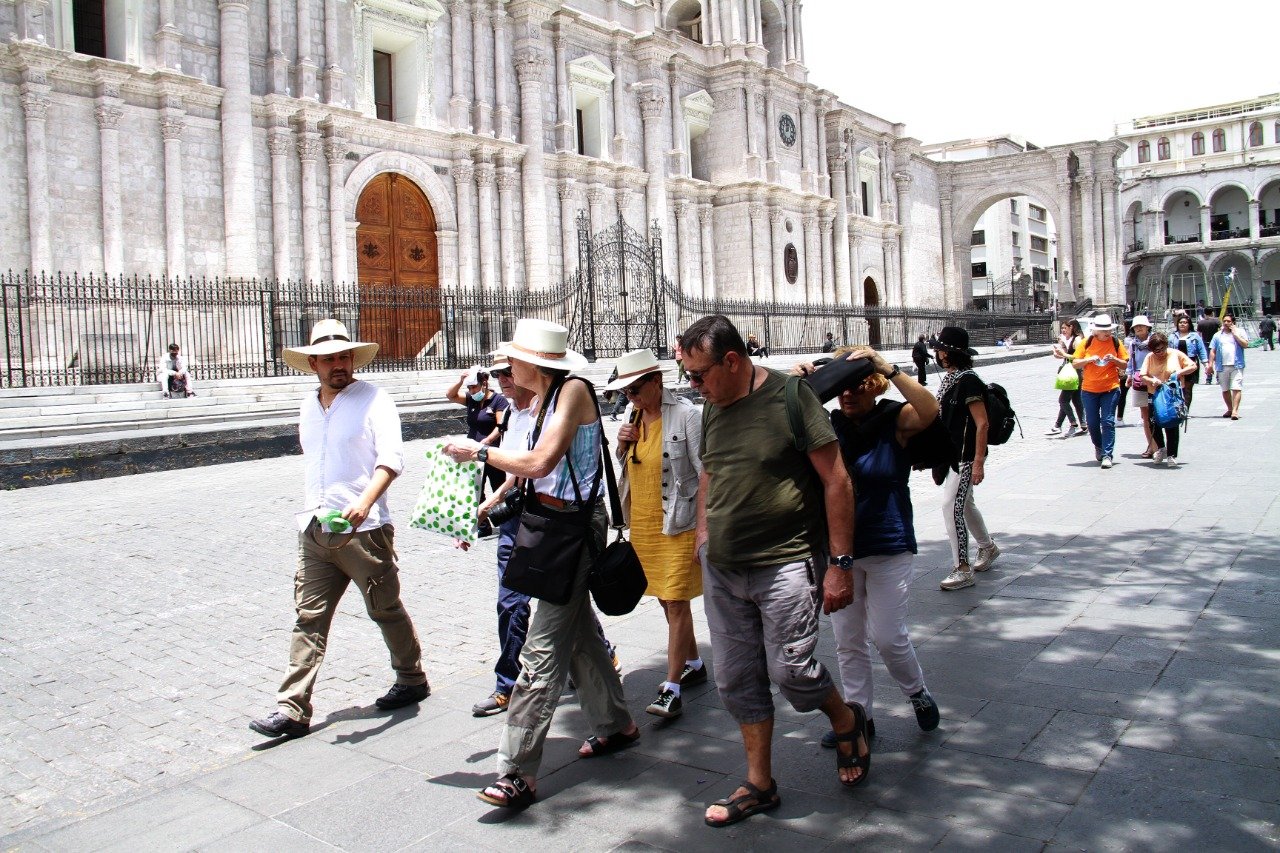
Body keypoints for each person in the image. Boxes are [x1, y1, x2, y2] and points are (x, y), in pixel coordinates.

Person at [681, 315, 867, 828]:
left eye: (699, 375)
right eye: (688, 376)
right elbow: (709, 472)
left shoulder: (790, 398)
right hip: (724, 568)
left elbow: (836, 480)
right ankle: (759, 783)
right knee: (736, 679)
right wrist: (702, 535)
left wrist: (840, 565)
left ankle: (847, 719)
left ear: (733, 361)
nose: (693, 386)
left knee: (792, 671)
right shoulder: (713, 407)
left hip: (785, 561)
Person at [442, 319, 636, 810]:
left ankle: (517, 771)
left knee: (542, 648)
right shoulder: (538, 400)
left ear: (536, 363)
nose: (507, 368)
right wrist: (485, 508)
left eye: (514, 360)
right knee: (581, 638)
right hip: (549, 526)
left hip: (575, 528)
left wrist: (480, 452)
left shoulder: (572, 391)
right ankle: (616, 725)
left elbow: (542, 462)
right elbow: (529, 471)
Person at [249, 319, 429, 740]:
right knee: (308, 617)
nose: (338, 365)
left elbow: (392, 458)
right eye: (329, 359)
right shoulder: (309, 406)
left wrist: (365, 502)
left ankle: (411, 677)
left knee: (384, 608)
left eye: (344, 357)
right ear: (313, 363)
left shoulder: (374, 399)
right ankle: (293, 709)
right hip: (315, 528)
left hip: (364, 530)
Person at [800, 346, 941, 748]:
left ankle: (917, 691)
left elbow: (929, 410)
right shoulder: (825, 426)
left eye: (857, 386)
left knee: (888, 637)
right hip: (840, 550)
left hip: (888, 543)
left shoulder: (893, 419)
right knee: (847, 641)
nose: (848, 395)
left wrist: (888, 367)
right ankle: (859, 716)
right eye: (841, 388)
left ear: (874, 387)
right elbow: (778, 423)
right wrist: (797, 381)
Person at [607, 349, 706, 720]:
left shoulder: (686, 417)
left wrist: (704, 529)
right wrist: (621, 443)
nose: (629, 396)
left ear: (656, 381)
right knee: (665, 600)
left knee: (676, 600)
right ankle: (694, 663)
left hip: (678, 523)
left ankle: (671, 687)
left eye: (635, 388)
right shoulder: (633, 416)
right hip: (644, 523)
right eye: (625, 391)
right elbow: (630, 465)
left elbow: (705, 473)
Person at [933, 327, 999, 591]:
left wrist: (978, 462)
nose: (937, 354)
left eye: (940, 350)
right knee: (965, 503)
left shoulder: (969, 381)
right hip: (952, 455)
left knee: (952, 506)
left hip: (966, 456)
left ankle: (962, 568)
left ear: (949, 354)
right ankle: (988, 547)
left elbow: (981, 424)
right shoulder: (952, 378)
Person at [1072, 315, 1128, 469]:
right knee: (1092, 422)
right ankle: (1099, 446)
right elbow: (1075, 363)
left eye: (1109, 330)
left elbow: (1124, 364)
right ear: (1096, 331)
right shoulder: (1087, 342)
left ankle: (1107, 454)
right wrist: (1089, 360)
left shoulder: (1116, 343)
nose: (1108, 333)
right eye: (1104, 330)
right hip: (1089, 389)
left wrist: (1114, 360)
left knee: (1108, 421)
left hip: (1110, 388)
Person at [445, 366, 509, 494]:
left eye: (474, 387)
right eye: (469, 388)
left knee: (499, 488)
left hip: (491, 452)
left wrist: (489, 440)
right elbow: (450, 395)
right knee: (475, 489)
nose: (472, 391)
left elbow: (500, 425)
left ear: (484, 383)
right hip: (472, 453)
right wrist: (461, 381)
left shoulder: (498, 400)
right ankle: (479, 512)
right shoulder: (471, 399)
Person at [1139, 332, 1195, 468]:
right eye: (1156, 350)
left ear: (1166, 345)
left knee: (1171, 421)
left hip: (1172, 394)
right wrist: (1152, 380)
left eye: (1162, 349)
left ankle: (1172, 454)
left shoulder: (1175, 354)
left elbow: (1192, 366)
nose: (1160, 353)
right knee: (1154, 422)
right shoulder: (1150, 357)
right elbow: (1142, 375)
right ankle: (1161, 448)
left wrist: (1179, 373)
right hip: (1155, 394)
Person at [1125, 316, 1158, 459]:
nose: (1138, 328)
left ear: (1147, 327)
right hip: (1139, 381)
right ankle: (1151, 446)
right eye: (1136, 326)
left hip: (1154, 379)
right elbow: (1131, 362)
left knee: (1157, 414)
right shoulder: (1133, 344)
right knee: (1145, 417)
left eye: (1141, 326)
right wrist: (1129, 376)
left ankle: (1160, 445)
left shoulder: (1155, 341)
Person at [1048, 319, 1085, 437]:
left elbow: (1077, 357)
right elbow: (1068, 357)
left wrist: (1063, 354)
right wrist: (1059, 354)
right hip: (1074, 372)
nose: (1063, 330)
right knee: (1076, 400)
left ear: (1072, 328)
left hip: (1075, 373)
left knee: (1063, 400)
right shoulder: (1071, 340)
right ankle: (1083, 425)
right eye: (1062, 328)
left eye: (1065, 328)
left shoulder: (1077, 340)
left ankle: (1073, 423)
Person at [1209, 314, 1248, 420]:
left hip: (1237, 365)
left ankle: (1235, 411)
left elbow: (1245, 344)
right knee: (1225, 389)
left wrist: (1236, 335)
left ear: (1233, 322)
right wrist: (1210, 365)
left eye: (1228, 321)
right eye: (1224, 321)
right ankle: (1229, 409)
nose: (1226, 323)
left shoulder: (1240, 332)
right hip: (1222, 366)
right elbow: (1212, 350)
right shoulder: (1217, 335)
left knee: (1236, 387)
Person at [1170, 314, 1207, 413]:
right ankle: (1177, 408)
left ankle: (1186, 409)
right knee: (1175, 387)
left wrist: (1206, 364)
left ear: (1189, 324)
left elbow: (1201, 350)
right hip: (1176, 364)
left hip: (1190, 364)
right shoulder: (1172, 336)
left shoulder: (1195, 336)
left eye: (1185, 323)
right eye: (1181, 322)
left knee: (1187, 388)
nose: (1183, 324)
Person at [1197, 313, 1221, 383]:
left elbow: (1199, 334)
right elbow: (1221, 331)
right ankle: (1218, 378)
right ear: (1212, 313)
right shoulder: (1216, 321)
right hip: (1215, 344)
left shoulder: (1201, 322)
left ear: (1204, 313)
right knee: (1217, 361)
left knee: (1207, 362)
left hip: (1205, 343)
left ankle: (1208, 379)